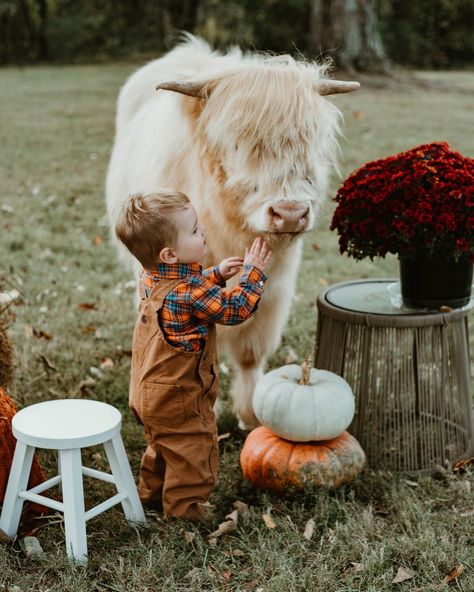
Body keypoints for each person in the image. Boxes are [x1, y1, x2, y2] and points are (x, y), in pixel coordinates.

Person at [115, 190, 272, 521]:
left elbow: (185, 288)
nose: (204, 234)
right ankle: (185, 510)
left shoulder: (149, 277)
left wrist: (215, 274)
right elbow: (234, 309)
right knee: (193, 452)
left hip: (146, 392)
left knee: (162, 443)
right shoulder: (191, 294)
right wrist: (253, 274)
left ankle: (151, 493)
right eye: (196, 231)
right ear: (171, 254)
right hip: (180, 396)